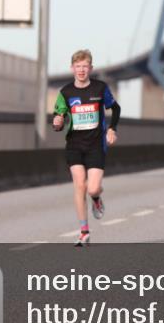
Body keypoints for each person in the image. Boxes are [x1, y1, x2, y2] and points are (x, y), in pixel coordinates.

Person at [52, 49, 121, 247]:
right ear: (72, 68)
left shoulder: (100, 89)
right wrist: (57, 123)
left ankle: (97, 198)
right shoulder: (65, 92)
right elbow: (58, 120)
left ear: (90, 68)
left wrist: (112, 129)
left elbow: (115, 108)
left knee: (92, 188)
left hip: (95, 145)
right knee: (79, 185)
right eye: (78, 67)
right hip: (74, 145)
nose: (81, 70)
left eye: (85, 67)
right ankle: (84, 232)